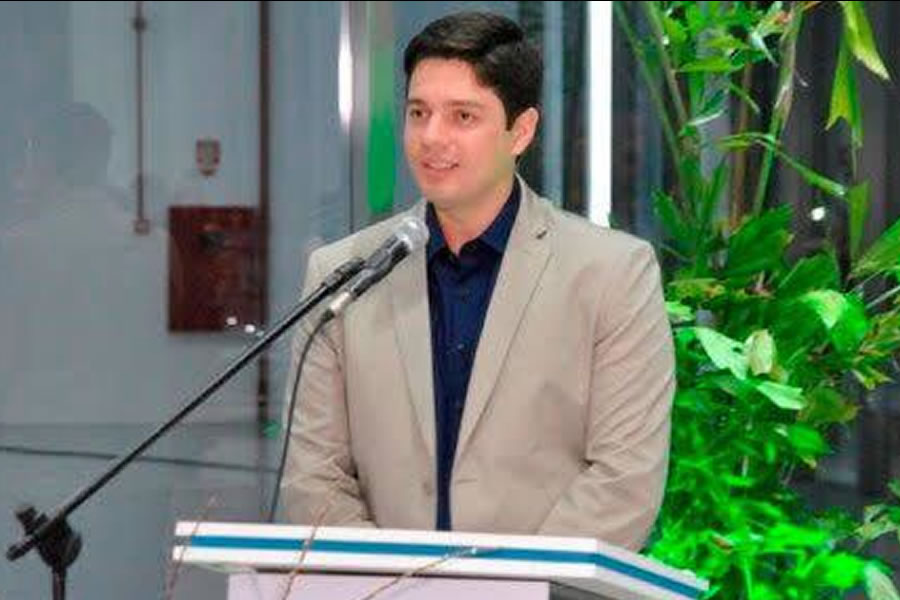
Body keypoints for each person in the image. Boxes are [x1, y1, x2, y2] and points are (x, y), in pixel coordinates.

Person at [280, 11, 674, 551]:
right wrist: (394, 583)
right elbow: (313, 476)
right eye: (418, 113)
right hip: (378, 589)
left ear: (522, 131)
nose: (431, 137)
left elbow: (624, 480)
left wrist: (508, 586)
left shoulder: (612, 274)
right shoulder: (342, 274)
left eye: (462, 116)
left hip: (547, 589)